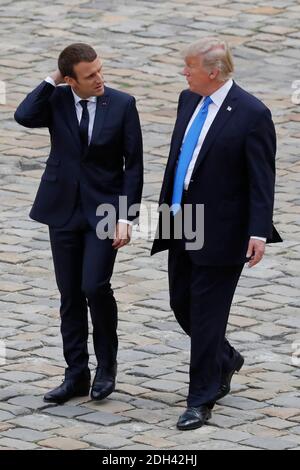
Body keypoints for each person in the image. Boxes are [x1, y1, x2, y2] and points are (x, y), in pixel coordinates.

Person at [151, 37, 282, 430]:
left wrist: (258, 231)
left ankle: (201, 398)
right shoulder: (187, 99)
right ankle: (225, 358)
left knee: (207, 317)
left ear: (213, 72)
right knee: (181, 304)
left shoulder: (252, 114)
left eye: (188, 67)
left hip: (223, 230)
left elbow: (263, 179)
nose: (183, 72)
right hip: (179, 221)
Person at [15, 43, 143, 404]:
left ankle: (106, 368)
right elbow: (23, 116)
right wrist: (53, 78)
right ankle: (76, 374)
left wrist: (126, 216)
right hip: (63, 211)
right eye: (89, 75)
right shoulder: (55, 100)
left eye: (100, 70)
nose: (100, 79)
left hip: (104, 213)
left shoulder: (121, 104)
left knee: (94, 286)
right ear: (70, 80)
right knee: (69, 294)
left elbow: (133, 165)